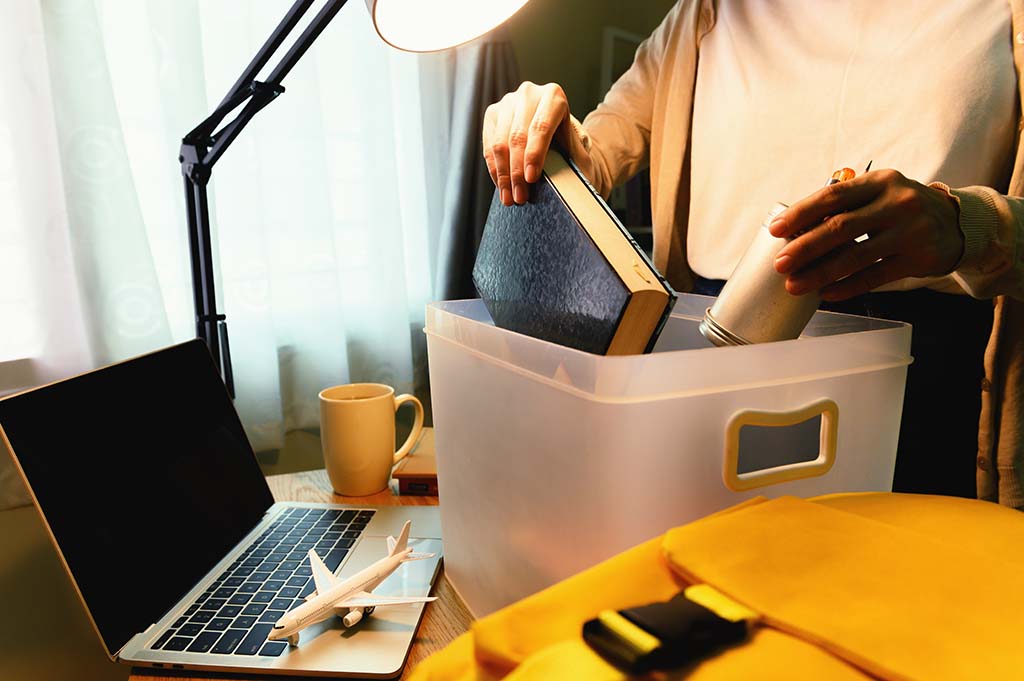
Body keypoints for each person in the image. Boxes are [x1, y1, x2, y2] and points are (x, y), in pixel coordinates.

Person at [481, 1, 1024, 506]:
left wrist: (968, 224)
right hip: (717, 349)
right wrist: (534, 129)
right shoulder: (707, 13)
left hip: (931, 374)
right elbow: (591, 155)